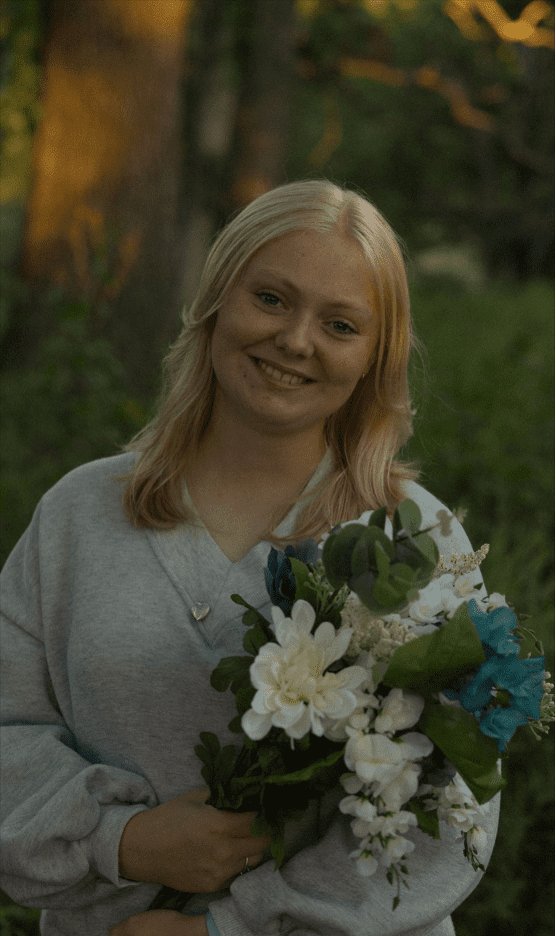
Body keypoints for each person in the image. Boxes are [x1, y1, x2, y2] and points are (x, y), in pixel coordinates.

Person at [0, 180, 499, 936]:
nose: (296, 341)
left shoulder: (413, 541)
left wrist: (225, 929)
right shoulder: (78, 517)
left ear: (374, 356)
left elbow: (455, 811)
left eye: (339, 324)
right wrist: (121, 841)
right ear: (214, 302)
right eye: (270, 299)